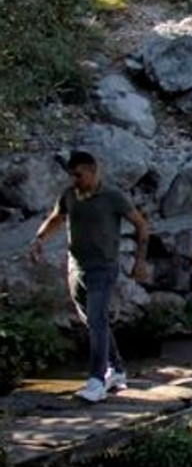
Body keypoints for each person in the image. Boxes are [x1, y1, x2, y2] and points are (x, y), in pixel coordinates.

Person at [30, 151, 149, 402]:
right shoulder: (69, 195)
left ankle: (96, 380)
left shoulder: (113, 197)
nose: (75, 179)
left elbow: (141, 225)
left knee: (96, 319)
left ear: (93, 172)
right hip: (76, 267)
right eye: (72, 175)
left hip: (103, 268)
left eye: (79, 175)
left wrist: (140, 260)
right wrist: (40, 238)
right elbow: (57, 217)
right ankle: (116, 369)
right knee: (95, 322)